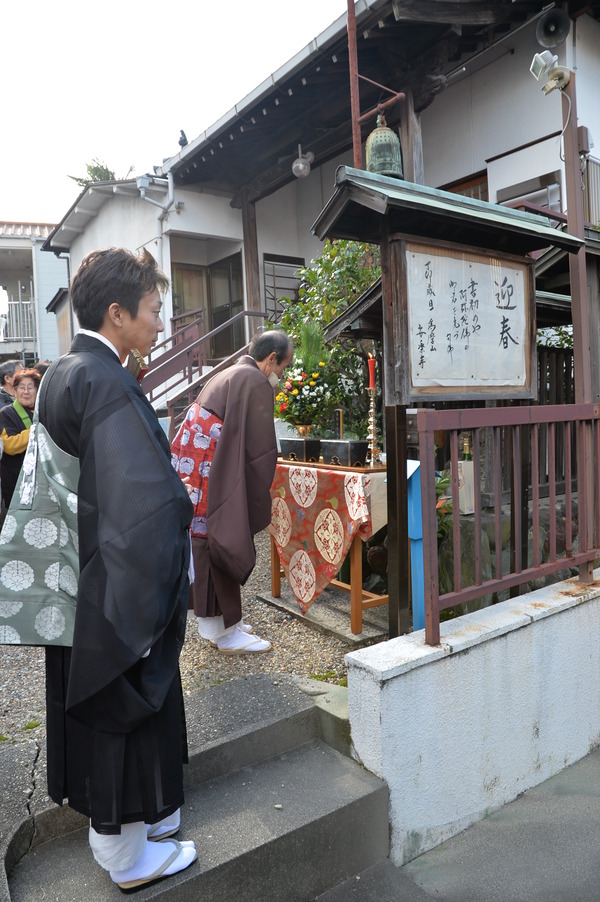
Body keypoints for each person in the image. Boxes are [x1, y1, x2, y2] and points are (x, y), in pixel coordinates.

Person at [37, 247, 197, 891]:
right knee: (123, 703)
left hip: (81, 575)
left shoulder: (63, 371)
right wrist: (163, 572)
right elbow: (143, 504)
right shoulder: (104, 380)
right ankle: (126, 857)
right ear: (117, 313)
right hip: (113, 581)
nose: (161, 322)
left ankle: (142, 829)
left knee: (103, 705)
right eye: (155, 310)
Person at [171, 330, 293, 653]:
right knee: (222, 533)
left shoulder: (232, 372)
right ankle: (226, 632)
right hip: (211, 468)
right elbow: (259, 449)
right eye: (283, 368)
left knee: (206, 536)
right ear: (271, 359)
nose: (281, 376)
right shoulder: (254, 380)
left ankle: (222, 623)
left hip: (195, 463)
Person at [0, 367, 41, 508]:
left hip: (40, 480)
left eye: (30, 387)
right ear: (15, 390)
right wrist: (36, 429)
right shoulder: (6, 413)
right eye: (22, 387)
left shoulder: (42, 411)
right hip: (16, 480)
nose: (26, 392)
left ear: (37, 390)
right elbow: (9, 446)